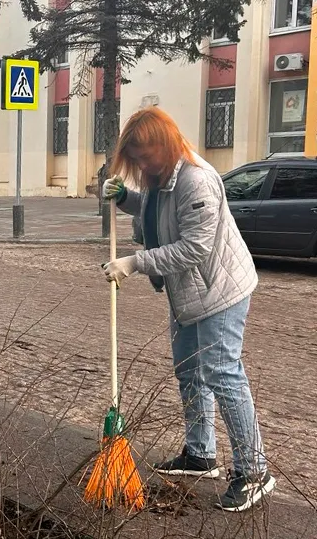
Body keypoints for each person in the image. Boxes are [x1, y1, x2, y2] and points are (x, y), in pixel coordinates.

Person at [101, 106, 274, 512]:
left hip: (219, 292)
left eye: (146, 155)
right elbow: (159, 211)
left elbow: (195, 247)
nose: (142, 163)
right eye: (136, 158)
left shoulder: (196, 179)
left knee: (222, 373)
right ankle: (201, 455)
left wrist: (134, 262)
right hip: (188, 294)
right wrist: (126, 198)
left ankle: (254, 471)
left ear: (164, 144)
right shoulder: (163, 176)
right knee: (189, 372)